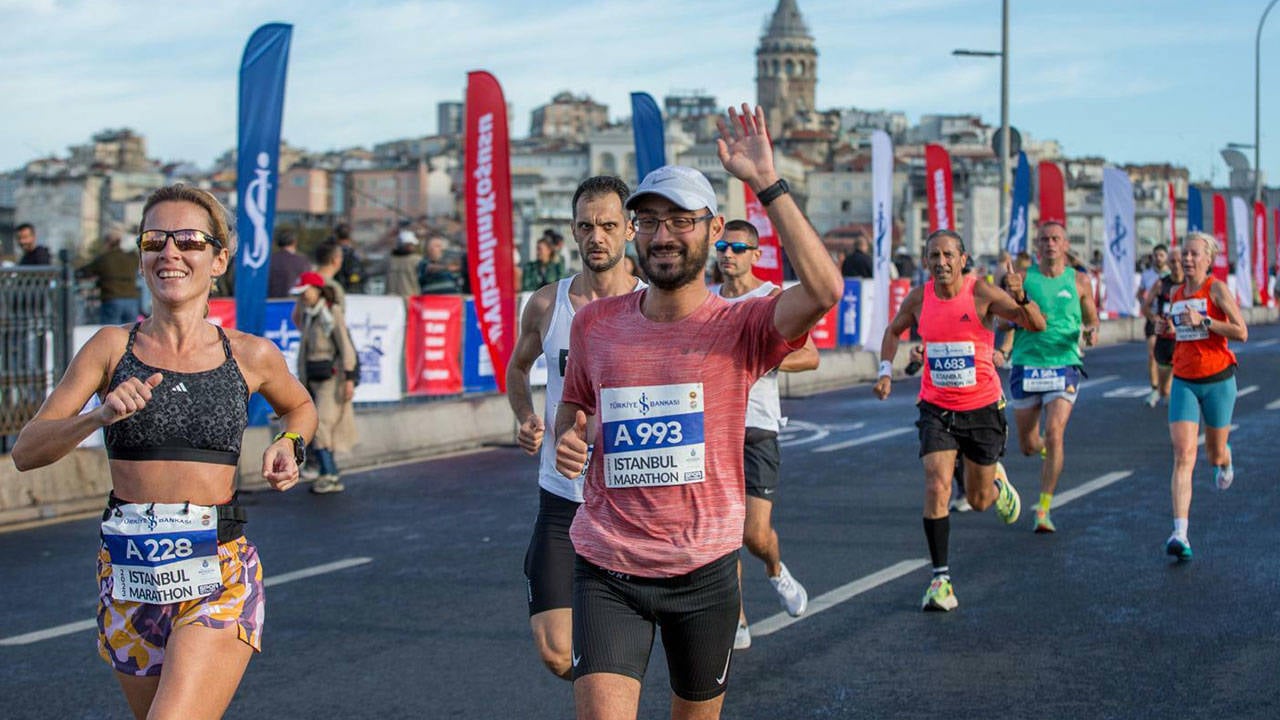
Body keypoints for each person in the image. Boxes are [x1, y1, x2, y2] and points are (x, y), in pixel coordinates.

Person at [553, 104, 842, 720]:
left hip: (705, 570)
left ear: (713, 233)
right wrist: (570, 437)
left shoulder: (741, 327)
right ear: (633, 233)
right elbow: (575, 408)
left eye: (682, 221)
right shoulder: (595, 325)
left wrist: (769, 183)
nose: (663, 235)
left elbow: (824, 291)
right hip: (608, 565)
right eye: (650, 221)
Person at [10, 184, 317, 720]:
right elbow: (26, 450)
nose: (169, 253)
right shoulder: (111, 349)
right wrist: (98, 416)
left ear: (218, 259)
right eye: (155, 239)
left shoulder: (249, 355)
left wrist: (290, 444)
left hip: (219, 571)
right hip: (129, 576)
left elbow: (301, 408)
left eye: (189, 240)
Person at [506, 175, 646, 681]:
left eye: (609, 225)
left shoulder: (655, 308)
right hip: (562, 498)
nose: (597, 237)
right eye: (586, 226)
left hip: (634, 500)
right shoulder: (547, 304)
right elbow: (517, 369)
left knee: (642, 648)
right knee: (556, 652)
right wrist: (525, 416)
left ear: (630, 229)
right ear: (572, 231)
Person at [873, 229, 1045, 612]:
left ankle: (997, 487)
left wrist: (1020, 295)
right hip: (936, 407)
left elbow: (1035, 324)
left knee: (980, 500)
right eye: (934, 255)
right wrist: (885, 370)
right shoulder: (919, 298)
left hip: (982, 408)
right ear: (926, 261)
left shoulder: (981, 293)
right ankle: (941, 579)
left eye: (948, 255)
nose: (941, 262)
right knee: (937, 485)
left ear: (963, 259)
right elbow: (893, 330)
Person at [711, 218, 819, 651]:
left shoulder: (772, 299)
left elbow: (809, 356)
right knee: (722, 533)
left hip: (758, 429)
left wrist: (762, 357)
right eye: (722, 247)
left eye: (738, 248)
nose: (728, 255)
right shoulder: (706, 302)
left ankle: (775, 569)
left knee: (754, 534)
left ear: (757, 255)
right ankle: (736, 617)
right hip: (715, 429)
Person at [995, 222, 1099, 534]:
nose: (1050, 244)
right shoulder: (1023, 279)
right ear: (1037, 247)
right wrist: (1015, 299)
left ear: (1066, 245)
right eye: (1044, 239)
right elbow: (1001, 324)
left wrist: (1091, 333)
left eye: (1055, 239)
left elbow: (1092, 320)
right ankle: (1042, 448)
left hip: (1064, 364)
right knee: (1028, 445)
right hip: (1027, 364)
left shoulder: (1079, 281)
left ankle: (1043, 508)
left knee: (1055, 433)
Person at [1160, 232, 1247, 561]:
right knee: (1183, 455)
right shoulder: (1175, 292)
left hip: (1218, 379)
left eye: (1195, 254)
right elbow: (1182, 330)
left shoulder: (1217, 289)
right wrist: (1168, 329)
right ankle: (1180, 533)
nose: (1188, 259)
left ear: (1208, 259)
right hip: (1183, 378)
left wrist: (1207, 320)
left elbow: (1241, 331)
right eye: (1185, 253)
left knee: (1212, 455)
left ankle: (1225, 458)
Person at [291, 271, 358, 495]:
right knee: (318, 425)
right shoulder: (309, 315)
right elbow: (297, 323)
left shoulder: (331, 313)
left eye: (306, 291)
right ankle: (328, 473)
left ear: (317, 290)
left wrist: (348, 378)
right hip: (312, 377)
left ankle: (329, 473)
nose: (303, 296)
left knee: (321, 426)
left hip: (332, 378)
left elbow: (345, 346)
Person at [1141, 247, 1184, 408]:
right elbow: (1145, 307)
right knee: (1165, 389)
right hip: (1165, 339)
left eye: (1179, 261)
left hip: (1184, 339)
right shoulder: (1161, 284)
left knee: (1184, 385)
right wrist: (1155, 319)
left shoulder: (1190, 283)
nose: (1177, 265)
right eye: (1172, 261)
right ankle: (1158, 391)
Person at [80, 227, 142, 324]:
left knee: (111, 334)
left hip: (112, 298)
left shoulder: (104, 259)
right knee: (131, 334)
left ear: (107, 243)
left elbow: (85, 272)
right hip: (131, 299)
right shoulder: (132, 257)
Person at [1139, 244, 1171, 406]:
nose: (1158, 258)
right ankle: (1154, 389)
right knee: (1152, 353)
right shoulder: (1147, 275)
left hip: (1170, 321)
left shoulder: (1172, 275)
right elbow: (1140, 293)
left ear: (1166, 257)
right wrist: (1146, 306)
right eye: (1156, 255)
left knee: (1171, 357)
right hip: (1153, 318)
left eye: (1161, 255)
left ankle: (1167, 388)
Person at [266, 228, 312, 299]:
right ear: (294, 242)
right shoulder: (302, 261)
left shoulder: (269, 260)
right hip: (293, 304)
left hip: (270, 302)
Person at [385, 229, 422, 299]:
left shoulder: (417, 260)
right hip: (391, 300)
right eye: (409, 244)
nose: (412, 247)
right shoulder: (389, 260)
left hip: (409, 301)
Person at [333, 223, 365, 294]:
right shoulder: (355, 254)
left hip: (338, 291)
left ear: (336, 236)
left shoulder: (332, 253)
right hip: (355, 293)